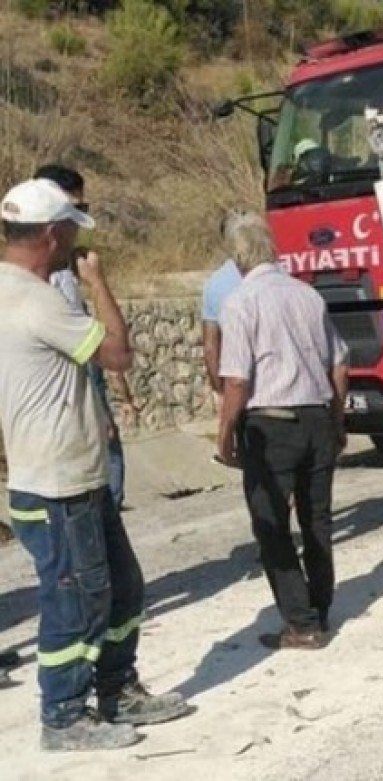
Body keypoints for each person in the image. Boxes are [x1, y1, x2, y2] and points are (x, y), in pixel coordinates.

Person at [0, 179, 191, 751]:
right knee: (76, 601)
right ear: (53, 234)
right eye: (69, 235)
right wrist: (98, 283)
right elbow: (118, 353)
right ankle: (63, 716)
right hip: (59, 482)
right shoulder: (37, 301)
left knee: (122, 587)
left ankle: (116, 687)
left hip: (65, 473)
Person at [216, 212, 350, 651]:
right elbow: (339, 365)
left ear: (237, 256)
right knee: (318, 522)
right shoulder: (308, 296)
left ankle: (301, 621)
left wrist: (225, 433)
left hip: (270, 423)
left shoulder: (241, 302)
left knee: (272, 526)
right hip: (316, 416)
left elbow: (236, 379)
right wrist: (337, 420)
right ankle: (320, 606)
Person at [37, 164, 137, 512]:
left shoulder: (51, 271)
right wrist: (97, 283)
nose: (81, 221)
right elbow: (109, 351)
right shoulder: (53, 276)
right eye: (76, 210)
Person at [202, 210, 246, 411]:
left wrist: (218, 390)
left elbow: (211, 346)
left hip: (236, 381)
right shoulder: (282, 274)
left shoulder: (214, 284)